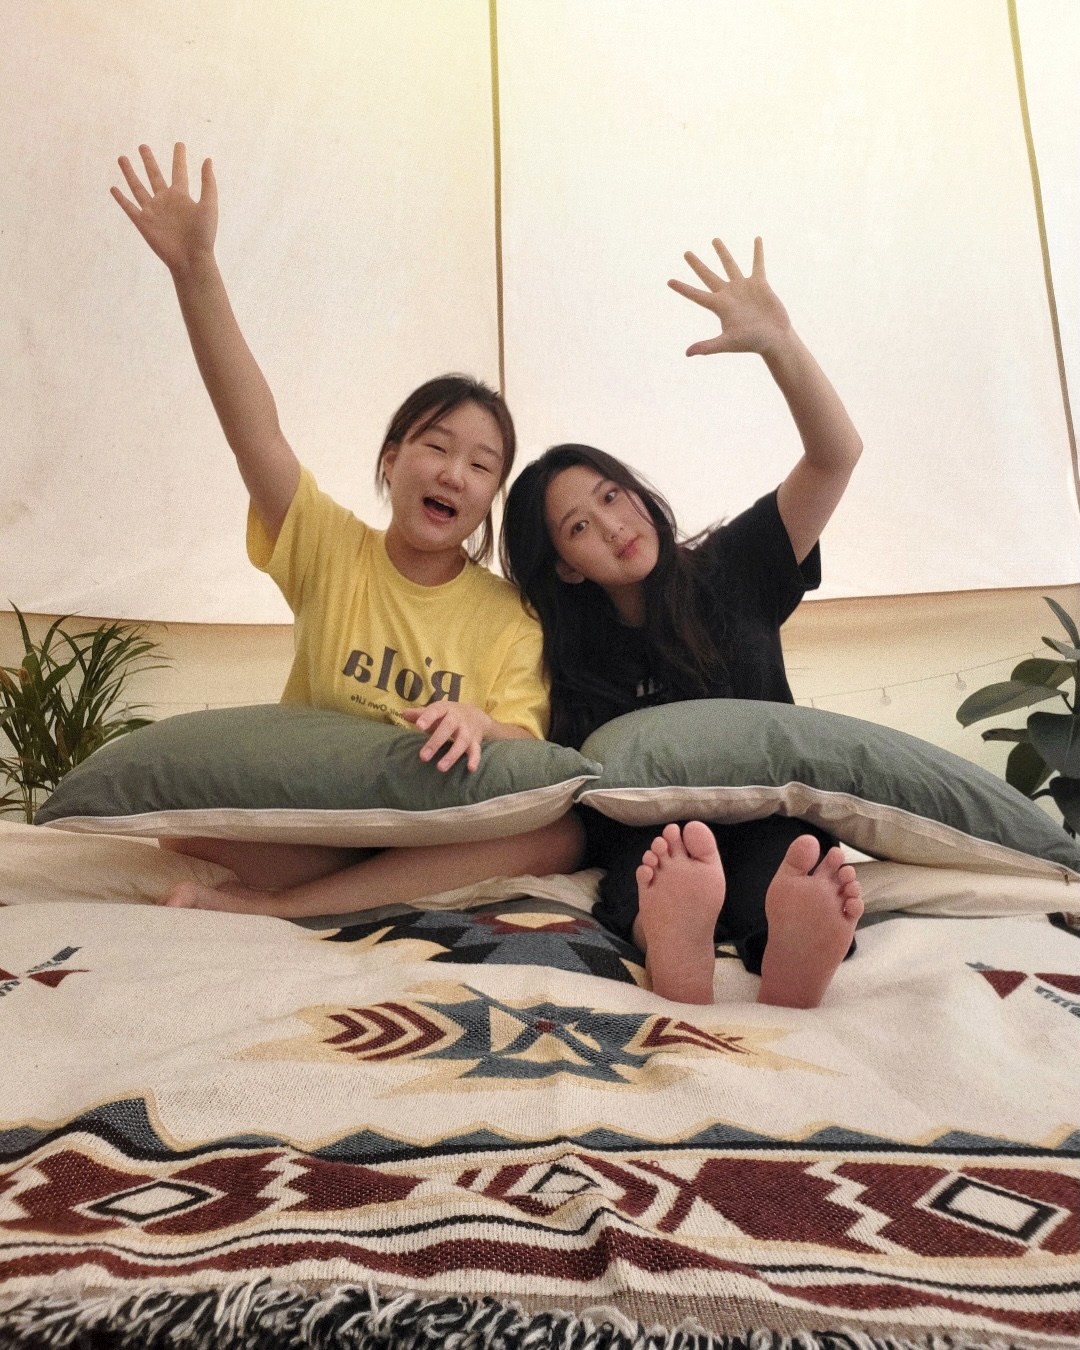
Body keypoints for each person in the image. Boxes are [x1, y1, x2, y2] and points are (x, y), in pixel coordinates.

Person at [111, 143, 583, 916]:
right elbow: (255, 434)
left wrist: (479, 723)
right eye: (436, 446)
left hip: (431, 829)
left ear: (491, 495)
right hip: (322, 823)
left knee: (559, 836)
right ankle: (352, 892)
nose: (454, 474)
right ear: (392, 460)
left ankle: (279, 909)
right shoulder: (328, 549)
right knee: (182, 825)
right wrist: (196, 272)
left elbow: (528, 748)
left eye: (481, 465)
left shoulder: (510, 615)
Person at [502, 235, 864, 1009]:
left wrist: (780, 345)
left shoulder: (736, 565)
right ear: (566, 567)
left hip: (766, 810)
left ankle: (789, 952)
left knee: (787, 857)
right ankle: (672, 940)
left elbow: (835, 457)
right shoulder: (567, 655)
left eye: (611, 495)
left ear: (634, 490)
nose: (613, 525)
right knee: (645, 863)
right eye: (578, 527)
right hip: (655, 833)